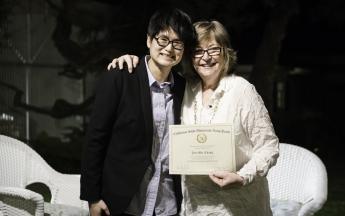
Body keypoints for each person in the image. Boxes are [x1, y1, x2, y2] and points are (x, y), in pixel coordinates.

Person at [108, 20, 279, 216]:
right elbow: (155, 70)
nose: (205, 58)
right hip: (195, 206)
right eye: (198, 51)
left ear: (225, 52)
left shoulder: (241, 90)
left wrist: (242, 176)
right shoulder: (184, 89)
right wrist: (133, 60)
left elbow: (269, 146)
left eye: (213, 49)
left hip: (239, 204)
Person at [80, 7, 195, 216]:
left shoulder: (184, 88)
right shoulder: (121, 76)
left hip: (167, 204)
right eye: (163, 39)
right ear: (149, 40)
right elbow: (95, 139)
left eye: (177, 43)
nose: (169, 48)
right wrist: (92, 197)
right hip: (123, 202)